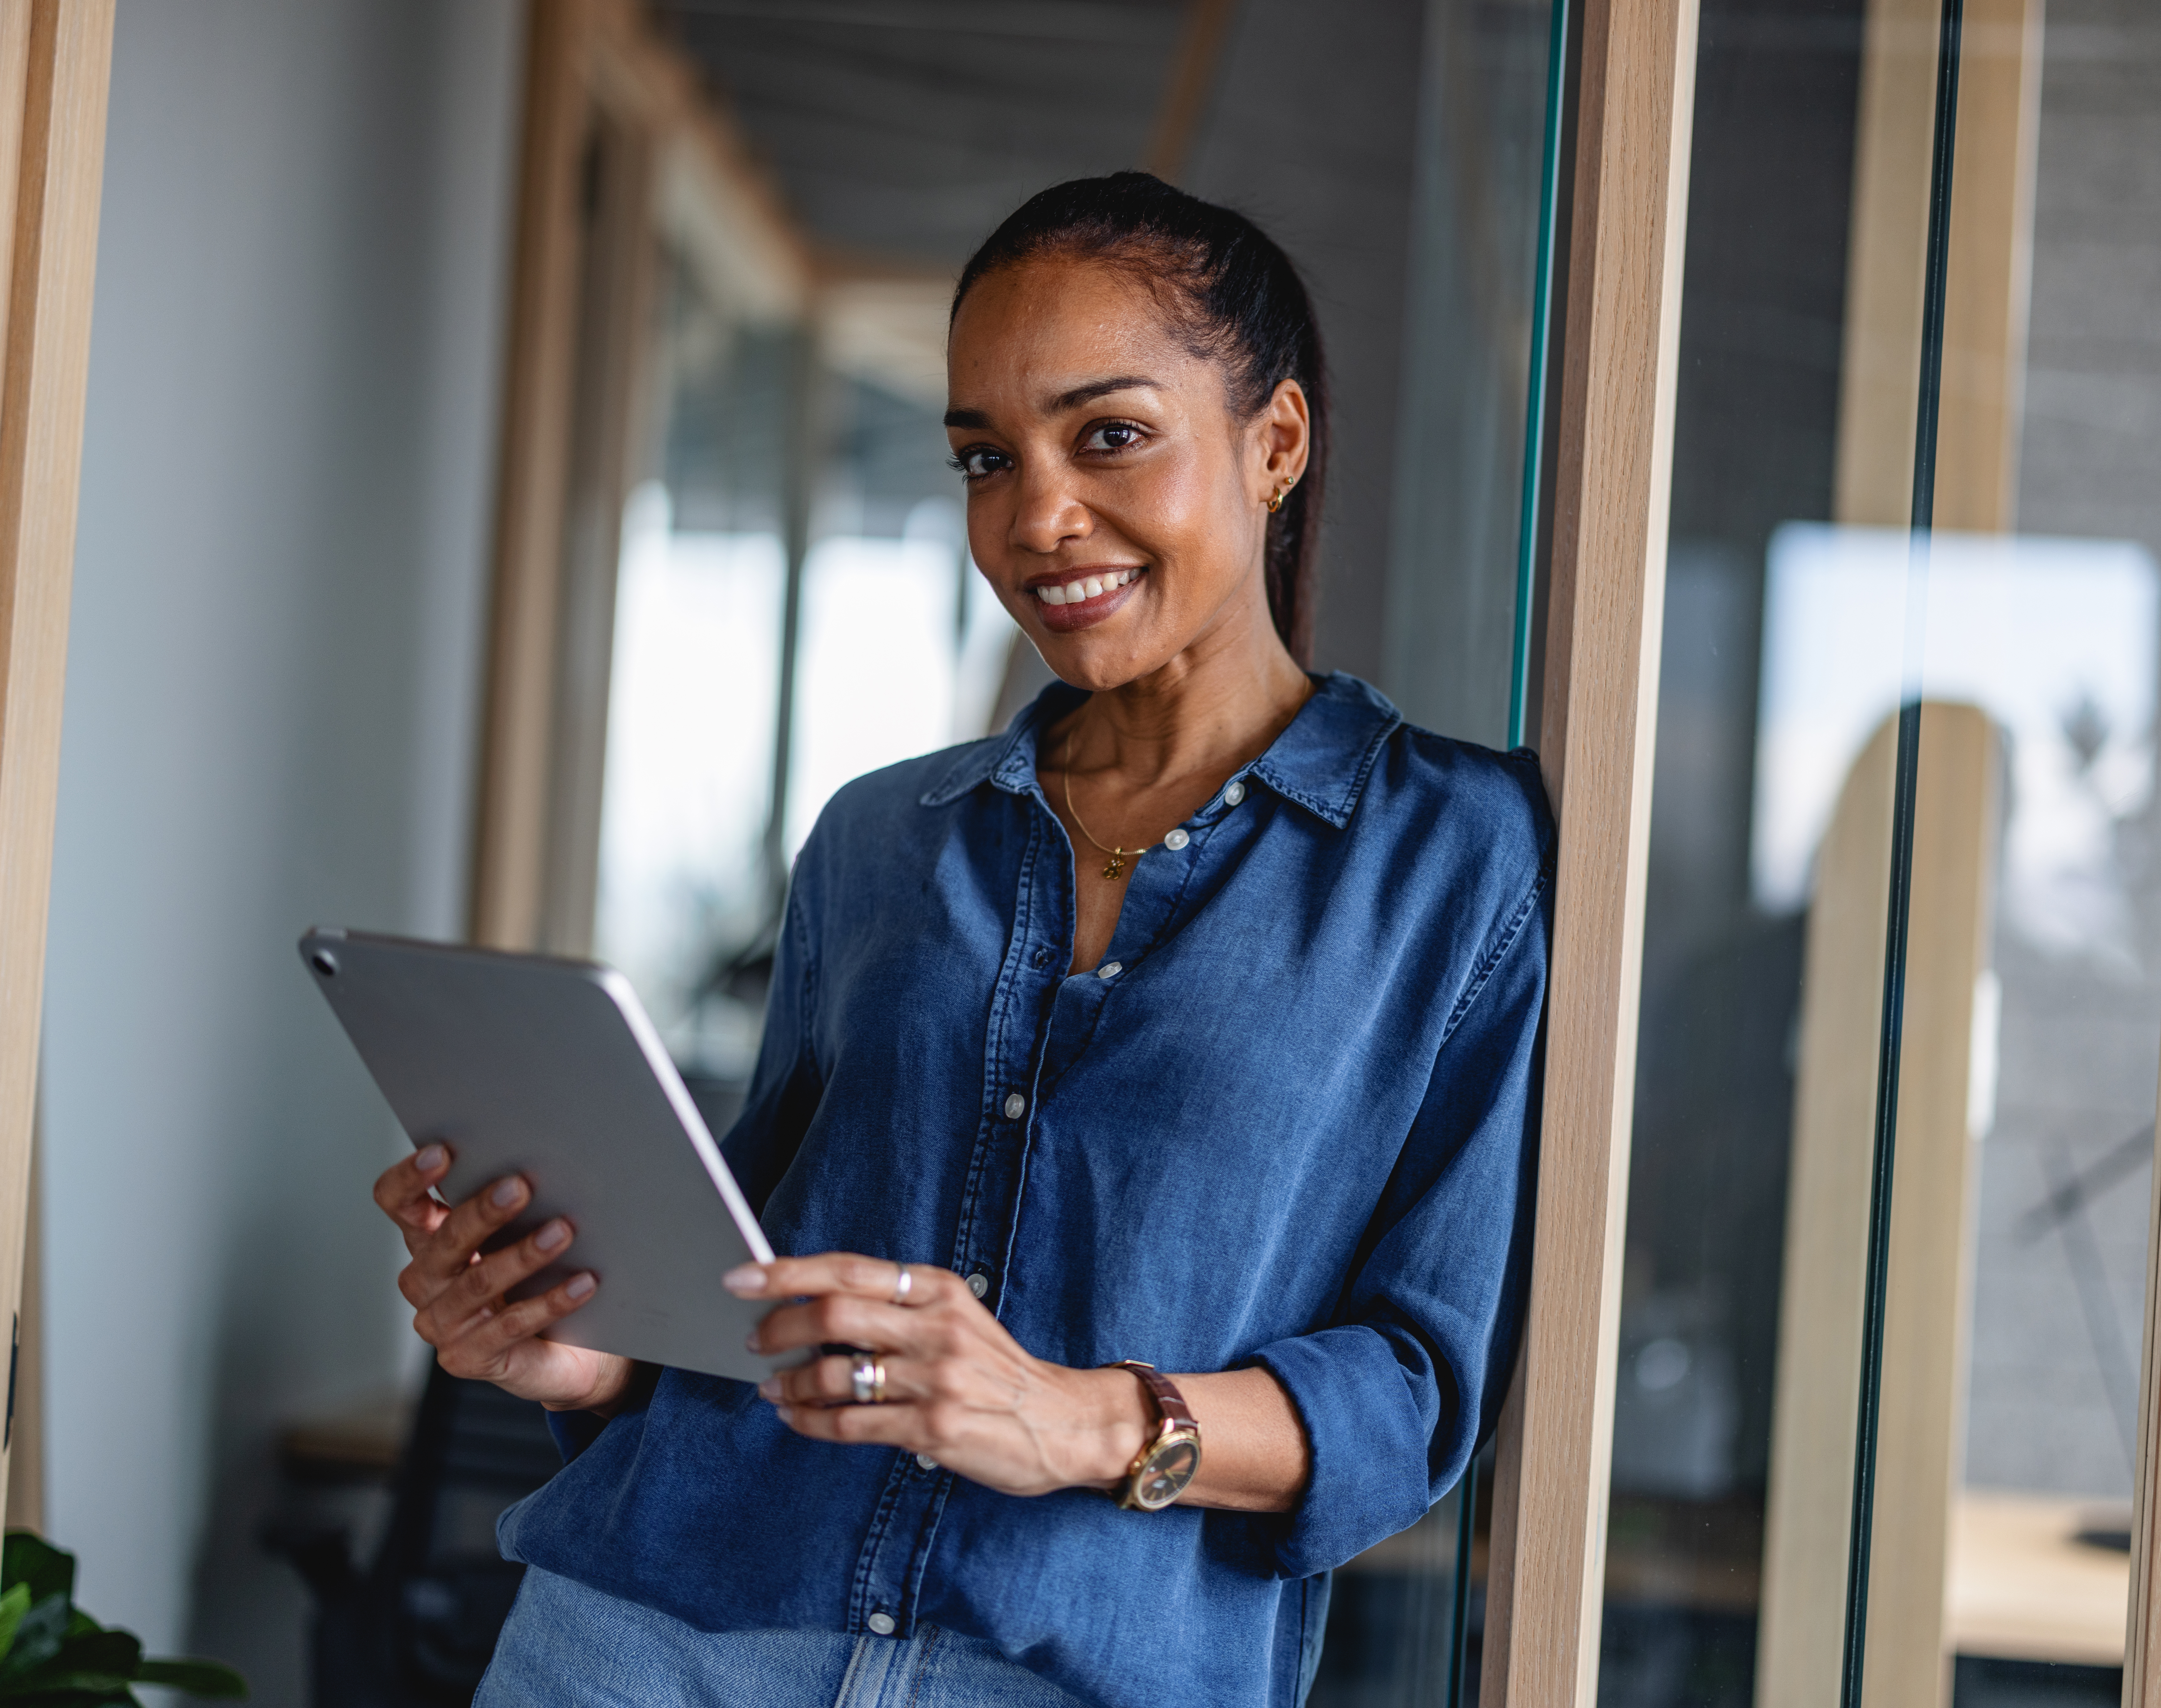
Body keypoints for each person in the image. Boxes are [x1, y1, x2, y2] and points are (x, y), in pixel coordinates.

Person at [370, 171, 1551, 1708]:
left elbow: (1419, 1388)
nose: (1036, 517)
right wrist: (585, 1354)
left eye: (1108, 434)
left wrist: (1075, 1419)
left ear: (1276, 442)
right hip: (646, 1641)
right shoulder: (879, 838)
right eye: (986, 457)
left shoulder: (1460, 856)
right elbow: (743, 1283)